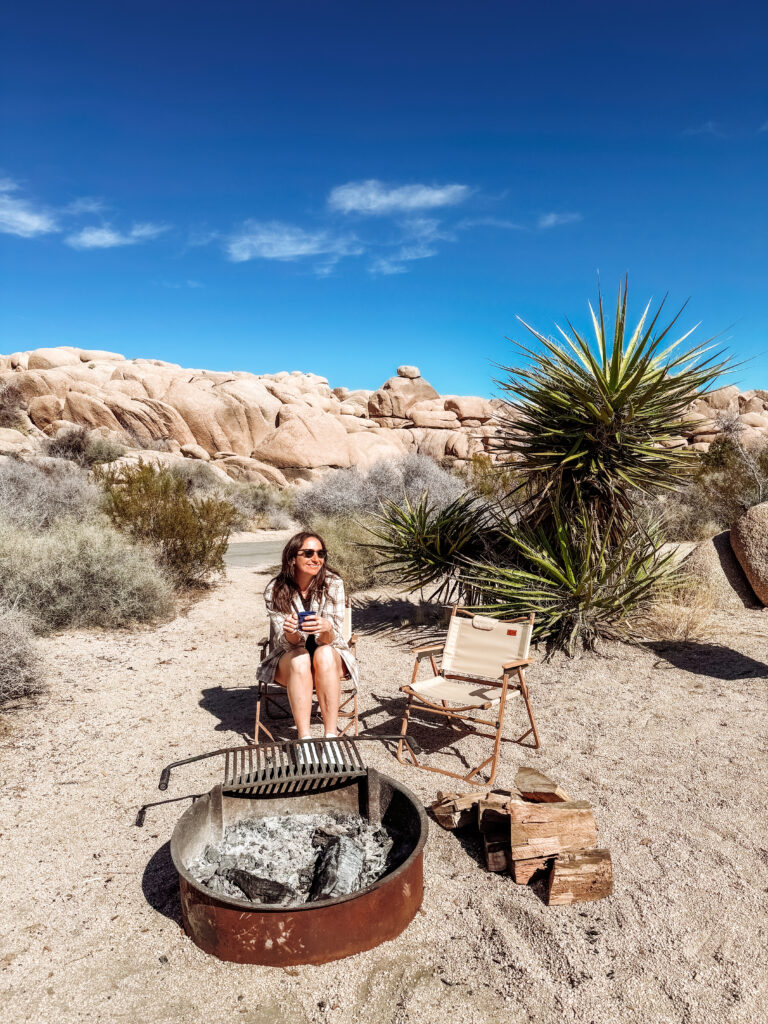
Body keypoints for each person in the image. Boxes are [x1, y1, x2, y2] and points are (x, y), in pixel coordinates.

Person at [258, 531, 358, 752]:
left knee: (322, 653)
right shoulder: (275, 589)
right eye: (309, 553)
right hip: (291, 657)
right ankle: (305, 741)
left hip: (329, 656)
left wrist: (326, 628)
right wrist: (292, 632)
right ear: (292, 557)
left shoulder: (333, 584)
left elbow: (334, 639)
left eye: (321, 553)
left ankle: (331, 738)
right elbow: (286, 643)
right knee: (301, 658)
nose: (317, 559)